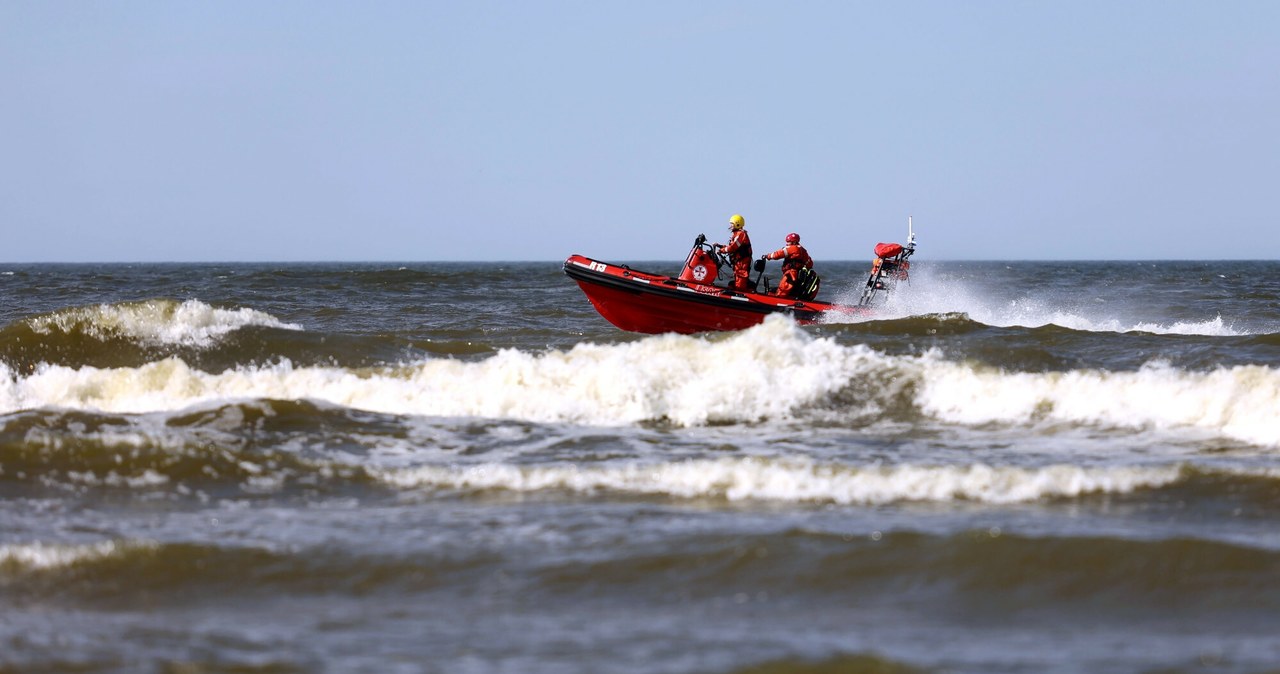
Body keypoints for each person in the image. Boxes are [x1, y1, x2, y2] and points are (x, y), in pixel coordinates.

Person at [762, 232, 818, 299]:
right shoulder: (803, 251)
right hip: (798, 275)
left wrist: (767, 256)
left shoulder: (792, 248)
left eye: (789, 242)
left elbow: (778, 254)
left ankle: (778, 301)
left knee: (783, 289)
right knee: (790, 290)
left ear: (794, 242)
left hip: (791, 273)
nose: (787, 243)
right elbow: (810, 263)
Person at [714, 213, 753, 291]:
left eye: (732, 224)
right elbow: (732, 247)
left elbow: (733, 247)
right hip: (738, 263)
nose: (730, 226)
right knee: (735, 282)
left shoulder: (741, 234)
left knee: (740, 284)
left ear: (737, 224)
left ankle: (740, 295)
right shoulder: (736, 235)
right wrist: (720, 246)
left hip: (742, 264)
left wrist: (722, 250)